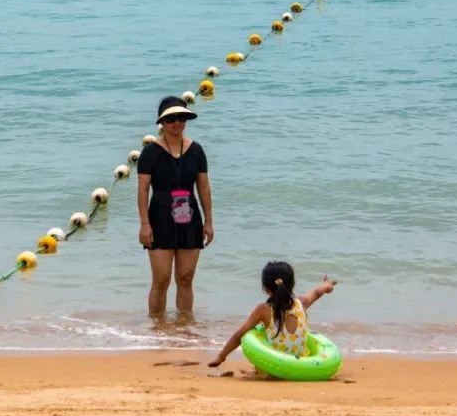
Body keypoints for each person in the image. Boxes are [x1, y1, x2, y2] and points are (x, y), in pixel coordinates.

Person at [137, 96, 214, 315]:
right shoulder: (150, 153)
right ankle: (157, 325)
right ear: (162, 122)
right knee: (161, 279)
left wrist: (208, 221)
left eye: (181, 118)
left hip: (190, 217)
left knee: (185, 278)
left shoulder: (196, 150)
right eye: (171, 119)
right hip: (160, 218)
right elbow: (143, 190)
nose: (177, 123)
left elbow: (204, 187)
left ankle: (184, 326)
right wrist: (145, 224)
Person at [208, 261, 337, 368]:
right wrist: (327, 285)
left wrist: (221, 357)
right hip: (302, 364)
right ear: (292, 285)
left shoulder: (263, 309)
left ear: (266, 289)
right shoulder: (301, 302)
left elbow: (239, 335)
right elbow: (316, 292)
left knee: (257, 332)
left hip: (275, 366)